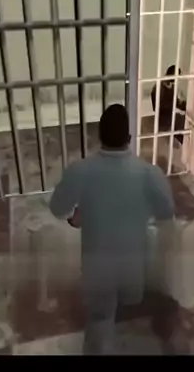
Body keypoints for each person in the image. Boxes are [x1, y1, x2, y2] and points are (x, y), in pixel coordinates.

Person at [49, 104, 175, 354]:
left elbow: (57, 208)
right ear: (129, 137)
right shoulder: (149, 173)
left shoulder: (80, 170)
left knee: (100, 319)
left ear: (99, 136)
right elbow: (166, 212)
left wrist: (76, 216)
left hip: (97, 267)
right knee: (131, 312)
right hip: (133, 265)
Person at [151, 65, 186, 146]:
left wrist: (184, 105)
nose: (177, 79)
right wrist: (173, 106)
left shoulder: (171, 86)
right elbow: (157, 107)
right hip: (164, 118)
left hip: (171, 115)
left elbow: (176, 102)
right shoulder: (159, 87)